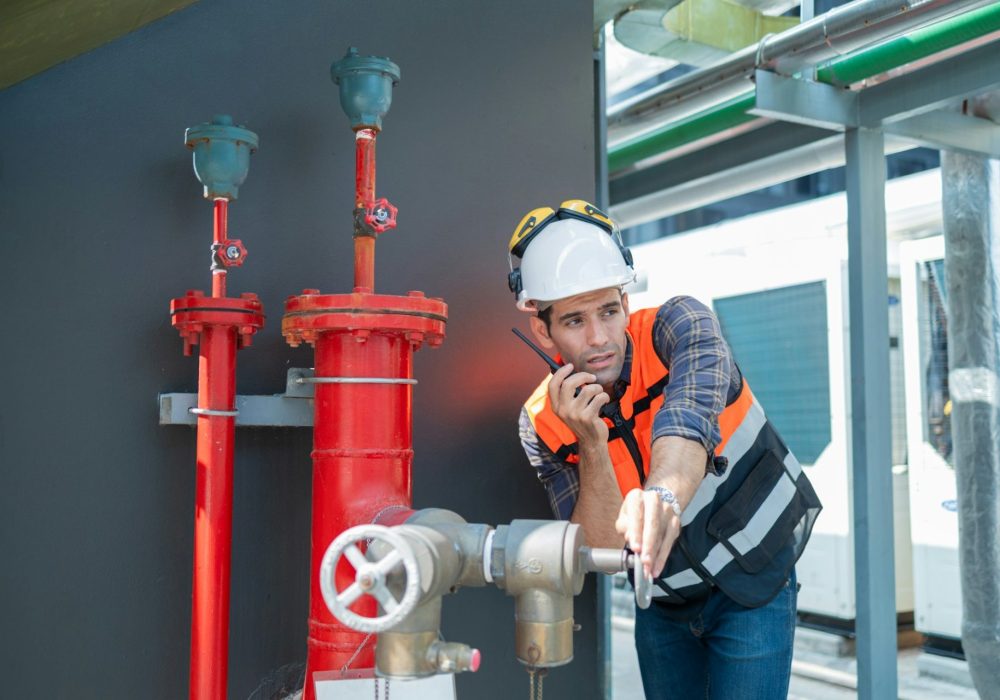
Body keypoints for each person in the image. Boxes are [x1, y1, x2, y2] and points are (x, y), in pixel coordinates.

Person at [508, 199, 822, 699]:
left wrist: (665, 497)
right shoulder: (541, 422)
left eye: (609, 310)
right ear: (542, 330)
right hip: (662, 600)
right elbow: (599, 550)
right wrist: (592, 442)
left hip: (753, 579)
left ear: (626, 303)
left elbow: (686, 424)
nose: (599, 338)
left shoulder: (679, 326)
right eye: (574, 321)